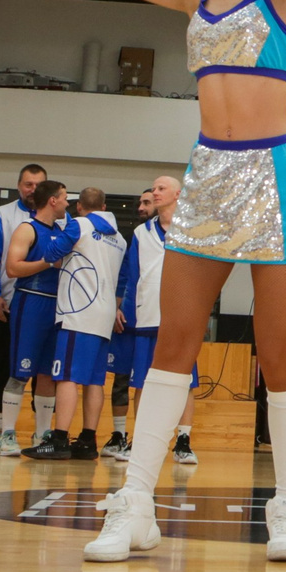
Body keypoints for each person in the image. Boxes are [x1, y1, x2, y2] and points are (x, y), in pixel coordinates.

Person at [10, 0, 286, 566]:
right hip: (209, 173)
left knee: (278, 352)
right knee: (173, 343)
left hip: (277, 175)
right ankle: (135, 504)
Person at [30, 187, 124, 460]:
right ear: (104, 207)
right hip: (105, 312)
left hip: (78, 311)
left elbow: (51, 253)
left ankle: (59, 438)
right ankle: (87, 440)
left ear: (79, 207)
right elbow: (124, 279)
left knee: (66, 377)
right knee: (94, 380)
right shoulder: (120, 238)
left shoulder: (78, 225)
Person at [0, 177, 80, 455]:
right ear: (53, 200)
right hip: (31, 301)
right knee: (20, 371)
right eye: (65, 197)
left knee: (48, 374)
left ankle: (42, 434)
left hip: (56, 306)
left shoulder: (62, 232)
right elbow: (13, 268)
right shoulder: (27, 229)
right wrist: (47, 262)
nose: (68, 203)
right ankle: (7, 434)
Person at [0, 162, 48, 452]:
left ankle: (41, 434)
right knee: (1, 368)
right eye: (28, 184)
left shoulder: (60, 219)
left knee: (43, 373)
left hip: (44, 309)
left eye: (38, 185)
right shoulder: (2, 215)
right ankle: (0, 430)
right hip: (6, 306)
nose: (33, 190)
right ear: (19, 186)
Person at [108, 175, 178, 465]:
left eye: (161, 188)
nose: (156, 192)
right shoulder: (140, 232)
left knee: (177, 384)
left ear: (177, 194)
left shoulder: (191, 230)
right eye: (154, 188)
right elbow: (131, 275)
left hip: (179, 320)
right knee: (141, 383)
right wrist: (122, 308)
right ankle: (139, 441)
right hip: (146, 315)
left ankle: (177, 441)